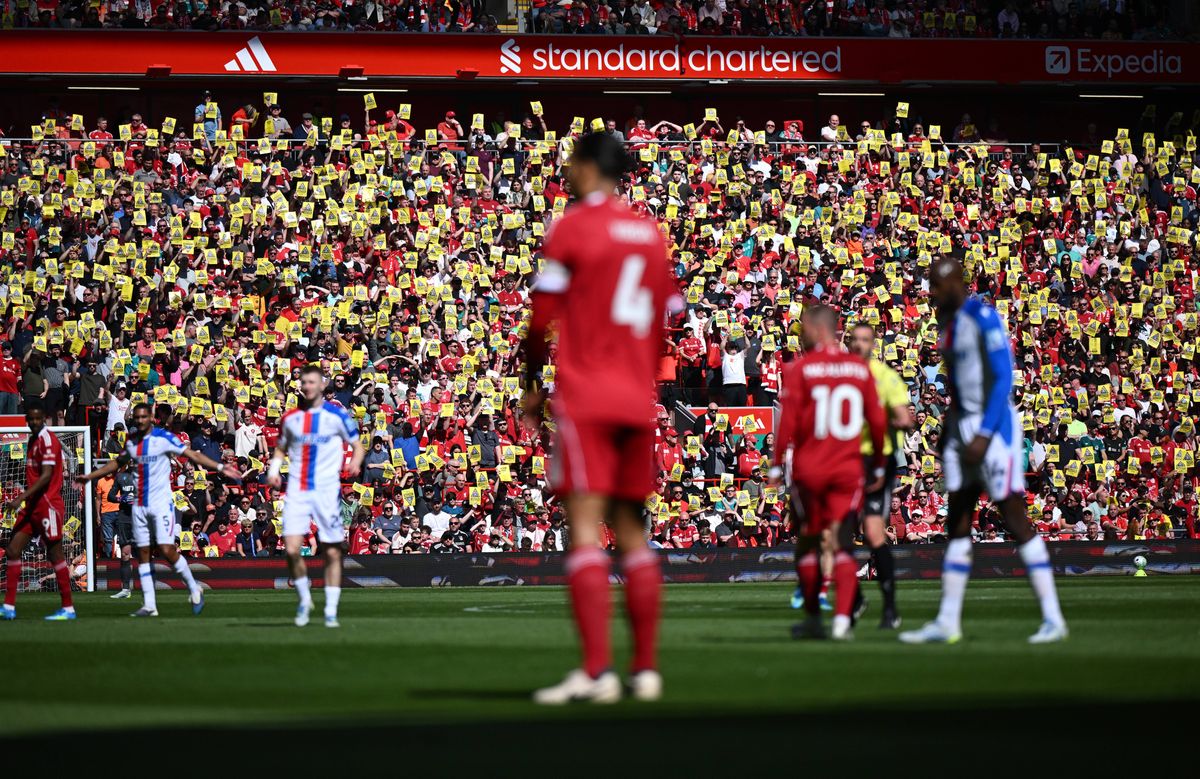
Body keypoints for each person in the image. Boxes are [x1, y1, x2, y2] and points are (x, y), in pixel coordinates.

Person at [522, 132, 680, 704]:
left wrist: (531, 382)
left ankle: (596, 671)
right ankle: (646, 670)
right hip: (636, 399)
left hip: (587, 394)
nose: (565, 170)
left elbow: (541, 320)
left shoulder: (572, 226)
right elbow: (669, 317)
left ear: (589, 167)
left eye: (570, 161)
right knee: (634, 532)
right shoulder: (649, 234)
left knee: (586, 529)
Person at [900, 258, 1068, 645]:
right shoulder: (946, 323)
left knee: (1013, 515)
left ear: (956, 283)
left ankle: (1052, 617)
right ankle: (947, 621)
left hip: (994, 427)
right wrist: (949, 430)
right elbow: (959, 383)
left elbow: (1002, 377)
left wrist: (986, 432)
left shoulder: (983, 317)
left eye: (937, 285)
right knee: (957, 518)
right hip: (962, 425)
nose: (932, 293)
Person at [772, 305, 886, 641]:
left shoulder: (800, 369)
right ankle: (841, 622)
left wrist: (777, 465)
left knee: (808, 540)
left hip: (809, 469)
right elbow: (877, 422)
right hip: (847, 469)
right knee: (842, 543)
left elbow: (787, 423)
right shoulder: (859, 369)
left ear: (813, 328)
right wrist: (878, 462)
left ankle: (812, 619)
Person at [77, 403, 240, 617]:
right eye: (137, 417)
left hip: (161, 504)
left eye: (144, 416)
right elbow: (117, 463)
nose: (141, 420)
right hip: (139, 506)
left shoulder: (163, 438)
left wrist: (219, 467)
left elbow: (191, 454)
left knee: (166, 550)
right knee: (143, 553)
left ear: (151, 417)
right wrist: (90, 476)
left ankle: (194, 587)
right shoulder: (132, 442)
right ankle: (150, 605)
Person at [267, 365, 365, 628]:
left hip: (326, 490)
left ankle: (331, 610)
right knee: (290, 548)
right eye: (304, 383)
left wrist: (355, 461)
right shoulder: (291, 419)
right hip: (297, 490)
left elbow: (358, 445)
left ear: (322, 385)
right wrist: (274, 469)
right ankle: (304, 597)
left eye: (312, 382)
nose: (308, 386)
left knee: (332, 552)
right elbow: (280, 450)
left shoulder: (337, 416)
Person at [849, 323, 914, 629]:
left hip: (877, 461)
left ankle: (890, 608)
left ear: (873, 344)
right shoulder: (840, 376)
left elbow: (904, 419)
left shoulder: (886, 378)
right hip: (845, 462)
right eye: (854, 340)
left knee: (875, 534)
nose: (859, 345)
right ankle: (856, 598)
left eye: (865, 340)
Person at [1, 404, 75, 620]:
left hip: (47, 504)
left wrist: (20, 497)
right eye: (30, 419)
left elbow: (46, 475)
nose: (33, 423)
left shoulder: (48, 440)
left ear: (44, 418)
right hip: (32, 505)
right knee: (13, 550)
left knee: (55, 554)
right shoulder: (33, 440)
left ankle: (68, 608)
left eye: (36, 419)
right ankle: (9, 607)